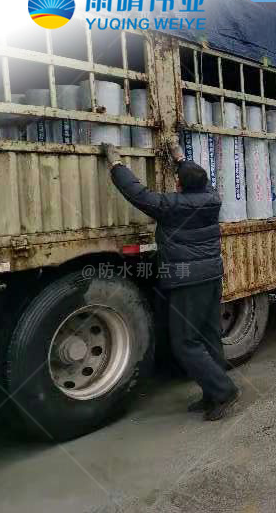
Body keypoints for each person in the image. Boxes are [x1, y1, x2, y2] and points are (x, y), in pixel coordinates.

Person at [101, 139, 240, 421]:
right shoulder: (212, 198)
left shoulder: (171, 206)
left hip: (188, 281)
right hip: (212, 276)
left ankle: (224, 391)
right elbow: (197, 178)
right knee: (209, 337)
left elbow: (136, 193)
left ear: (180, 185)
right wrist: (179, 158)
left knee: (185, 343)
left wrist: (116, 164)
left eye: (178, 178)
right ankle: (211, 393)